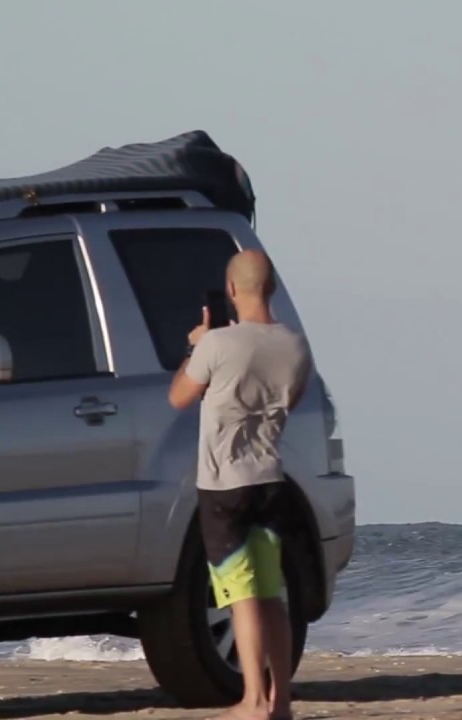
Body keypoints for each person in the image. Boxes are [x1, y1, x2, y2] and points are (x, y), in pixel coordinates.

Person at [169, 249, 312, 720]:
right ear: (269, 288)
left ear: (232, 291)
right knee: (271, 596)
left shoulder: (217, 345)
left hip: (224, 485)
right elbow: (290, 401)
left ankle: (252, 700)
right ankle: (281, 701)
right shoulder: (294, 344)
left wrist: (197, 345)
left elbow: (179, 397)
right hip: (271, 479)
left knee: (242, 596)